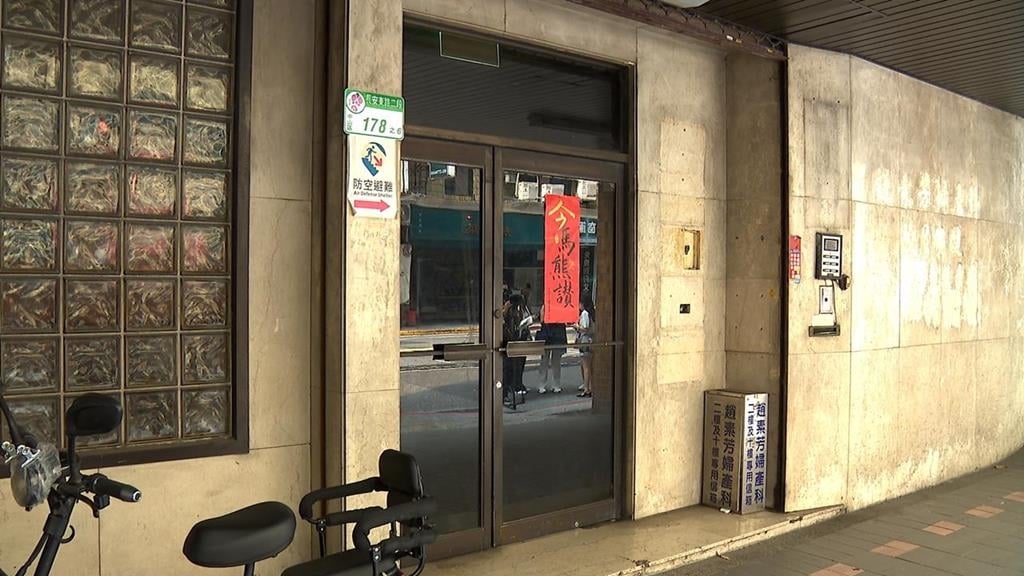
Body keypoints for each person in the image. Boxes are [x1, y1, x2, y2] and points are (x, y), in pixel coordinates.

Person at [502, 292, 531, 407]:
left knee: (516, 367)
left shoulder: (519, 310)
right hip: (509, 343)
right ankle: (505, 392)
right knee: (507, 369)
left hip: (517, 341)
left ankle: (516, 387)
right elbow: (505, 324)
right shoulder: (508, 310)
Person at [536, 305, 566, 393]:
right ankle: (546, 384)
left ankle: (554, 384)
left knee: (553, 360)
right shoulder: (545, 305)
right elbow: (542, 320)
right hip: (549, 331)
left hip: (556, 332)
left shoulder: (559, 304)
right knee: (546, 360)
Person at [574, 294, 595, 398]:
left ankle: (586, 388)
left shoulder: (585, 313)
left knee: (586, 367)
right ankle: (590, 387)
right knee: (589, 366)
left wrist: (577, 326)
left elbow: (585, 328)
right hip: (589, 340)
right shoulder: (591, 313)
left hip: (585, 340)